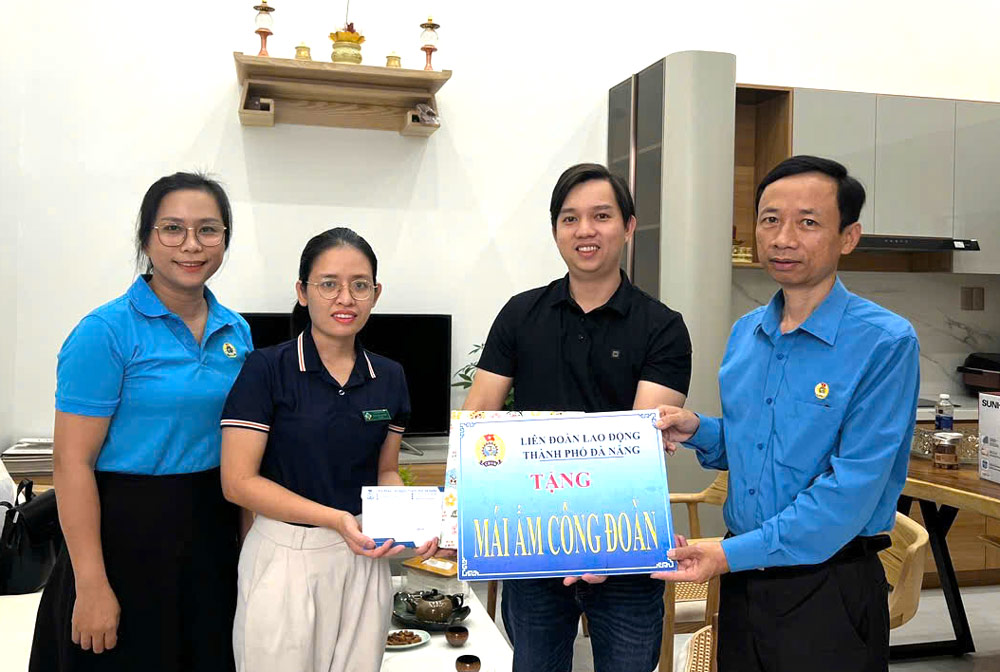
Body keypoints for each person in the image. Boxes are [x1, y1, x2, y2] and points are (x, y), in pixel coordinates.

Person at [654, 155, 920, 672]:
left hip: (828, 587)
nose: (783, 237)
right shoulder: (747, 333)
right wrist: (699, 430)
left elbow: (848, 492)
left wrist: (727, 555)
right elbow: (758, 446)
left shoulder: (885, 343)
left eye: (809, 222)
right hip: (745, 579)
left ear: (848, 237)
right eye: (770, 219)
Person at [462, 163, 693, 672]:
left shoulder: (663, 328)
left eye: (601, 216)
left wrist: (594, 547)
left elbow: (641, 442)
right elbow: (478, 417)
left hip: (626, 551)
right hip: (534, 547)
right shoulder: (520, 315)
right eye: (569, 219)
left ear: (628, 226)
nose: (584, 231)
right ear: (555, 231)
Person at [30, 173, 252, 672]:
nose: (191, 245)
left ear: (224, 240)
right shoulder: (105, 332)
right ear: (147, 238)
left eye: (208, 230)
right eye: (172, 229)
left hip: (210, 534)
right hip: (122, 539)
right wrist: (91, 585)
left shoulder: (236, 330)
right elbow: (71, 462)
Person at [219, 227, 438, 672]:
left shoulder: (390, 376)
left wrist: (416, 525)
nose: (346, 298)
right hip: (286, 556)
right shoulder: (267, 368)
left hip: (364, 557)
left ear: (375, 294)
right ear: (303, 291)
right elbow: (237, 483)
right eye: (328, 284)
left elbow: (387, 471)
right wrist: (333, 519)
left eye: (360, 285)